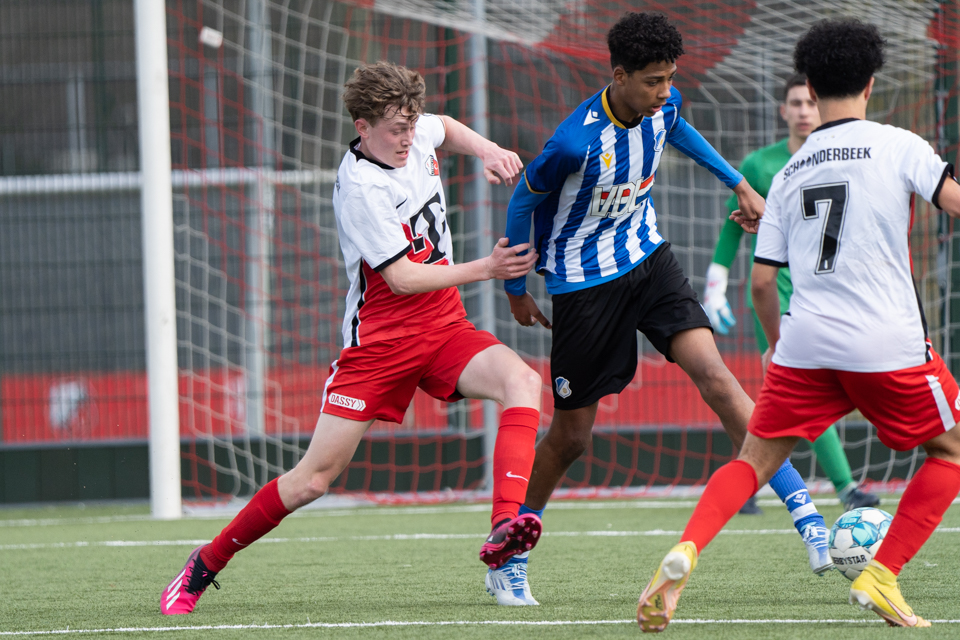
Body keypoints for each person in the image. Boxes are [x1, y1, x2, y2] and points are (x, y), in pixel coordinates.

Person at [160, 61, 545, 615]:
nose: (408, 140)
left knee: (522, 382)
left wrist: (484, 148)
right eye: (395, 131)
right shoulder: (361, 186)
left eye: (411, 127)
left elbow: (446, 127)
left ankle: (506, 543)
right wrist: (487, 268)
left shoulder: (414, 133)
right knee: (312, 480)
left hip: (442, 327)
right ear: (362, 127)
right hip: (381, 348)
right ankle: (205, 564)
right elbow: (403, 279)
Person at [499, 12, 832, 607]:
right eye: (653, 81)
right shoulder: (574, 141)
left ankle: (807, 517)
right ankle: (512, 550)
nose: (663, 92)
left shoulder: (663, 103)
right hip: (583, 284)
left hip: (649, 260)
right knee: (572, 437)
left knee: (719, 379)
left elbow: (680, 129)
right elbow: (525, 196)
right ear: (619, 74)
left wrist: (738, 184)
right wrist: (516, 288)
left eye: (670, 78)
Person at [638, 18, 960, 632]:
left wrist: (778, 350)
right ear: (871, 82)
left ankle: (685, 551)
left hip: (805, 341)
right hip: (885, 341)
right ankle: (882, 576)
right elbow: (953, 203)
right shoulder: (900, 144)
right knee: (951, 451)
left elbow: (762, 283)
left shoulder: (785, 175)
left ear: (810, 87)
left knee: (754, 458)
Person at [703, 73, 879, 515]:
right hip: (777, 298)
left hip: (829, 293)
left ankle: (746, 478)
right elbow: (732, 226)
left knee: (786, 395)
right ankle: (845, 488)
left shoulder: (842, 158)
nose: (803, 110)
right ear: (783, 111)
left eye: (808, 102)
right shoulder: (762, 165)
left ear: (820, 106)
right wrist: (716, 285)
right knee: (808, 387)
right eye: (794, 103)